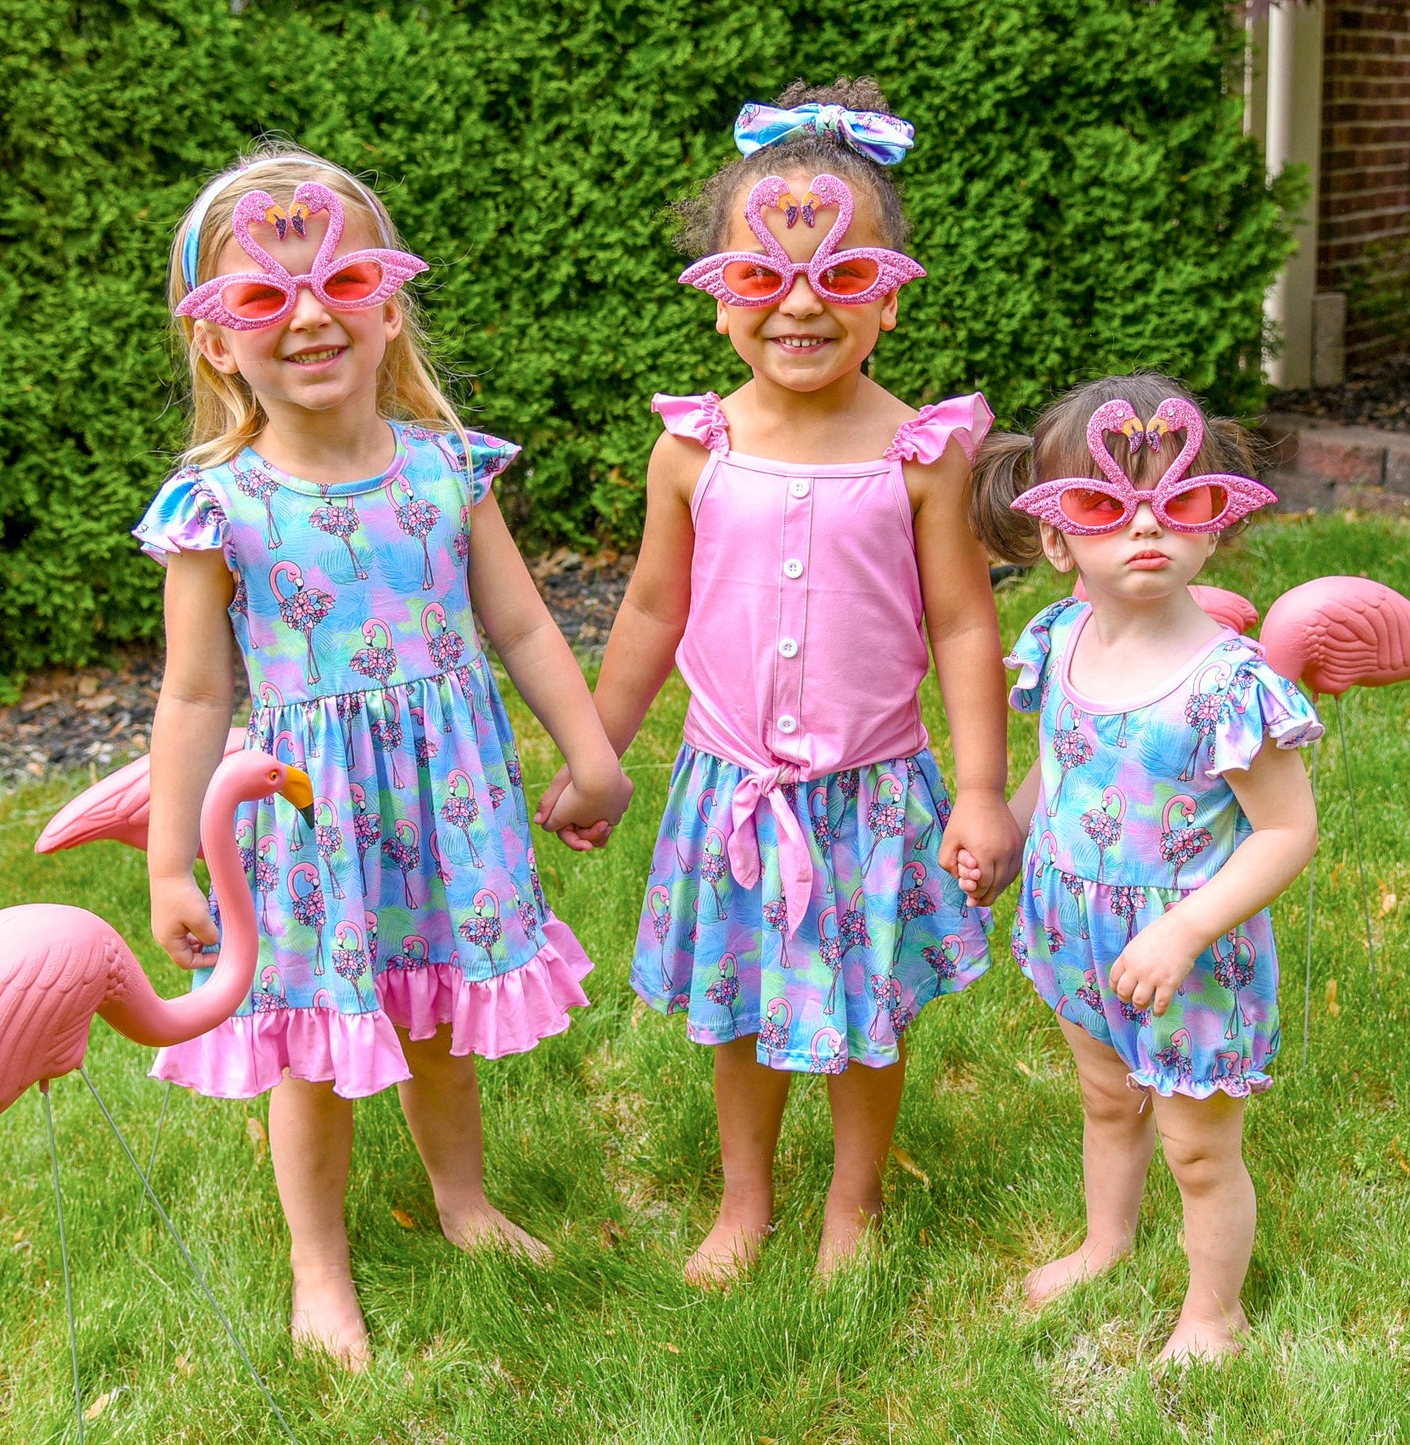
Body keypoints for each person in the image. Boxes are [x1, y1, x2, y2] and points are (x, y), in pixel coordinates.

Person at [136, 144, 631, 1368]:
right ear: (215, 339)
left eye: (341, 282)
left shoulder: (443, 468)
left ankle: (461, 1203)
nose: (308, 317)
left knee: (434, 1020)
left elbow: (517, 621)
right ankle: (318, 1263)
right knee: (311, 1045)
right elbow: (197, 692)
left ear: (388, 301)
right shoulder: (221, 505)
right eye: (260, 297)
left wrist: (592, 752)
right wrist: (168, 863)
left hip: (446, 800)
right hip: (308, 822)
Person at [538, 79, 1020, 1282]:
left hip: (869, 792)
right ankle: (744, 1202)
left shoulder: (921, 454)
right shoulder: (693, 447)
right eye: (759, 279)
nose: (800, 305)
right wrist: (596, 755)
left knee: (871, 1016)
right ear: (719, 306)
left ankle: (851, 1204)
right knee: (742, 1011)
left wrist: (979, 789)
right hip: (733, 794)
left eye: (840, 277)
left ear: (888, 301)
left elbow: (962, 624)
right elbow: (652, 606)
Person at [965, 372, 1320, 1361]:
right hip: (1076, 934)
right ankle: (1105, 1241)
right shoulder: (1061, 637)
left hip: (1188, 957)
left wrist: (1183, 926)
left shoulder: (1225, 684)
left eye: (1179, 504)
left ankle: (1213, 1312)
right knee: (1104, 1098)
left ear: (1214, 524)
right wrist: (1013, 835)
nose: (1144, 532)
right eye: (1104, 509)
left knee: (1198, 1149)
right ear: (1053, 537)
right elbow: (1061, 768)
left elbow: (1285, 833)